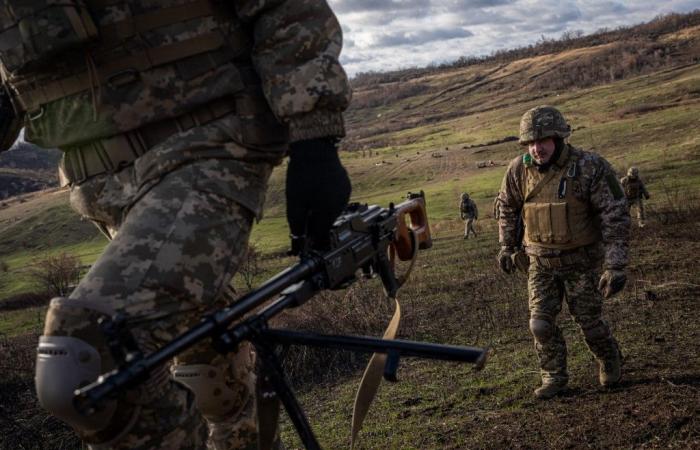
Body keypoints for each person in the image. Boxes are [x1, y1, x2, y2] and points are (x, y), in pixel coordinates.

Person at [0, 1, 351, 448]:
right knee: (209, 365)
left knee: (89, 357)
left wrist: (315, 134)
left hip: (209, 147)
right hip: (100, 186)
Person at [495, 105, 630, 400]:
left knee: (590, 323)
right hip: (540, 263)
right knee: (540, 324)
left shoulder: (590, 166)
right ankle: (553, 375)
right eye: (530, 142)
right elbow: (506, 206)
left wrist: (615, 264)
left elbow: (615, 213)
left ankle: (609, 358)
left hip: (581, 262)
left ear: (559, 138)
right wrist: (507, 245)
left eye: (543, 140)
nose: (536, 148)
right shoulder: (518, 169)